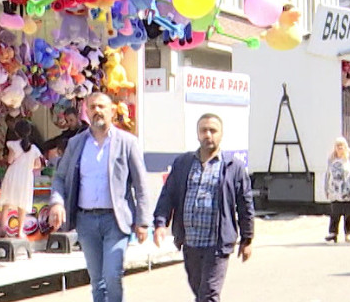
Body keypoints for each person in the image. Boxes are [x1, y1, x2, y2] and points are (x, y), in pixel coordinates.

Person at [49, 92, 151, 302]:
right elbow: (59, 177)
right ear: (86, 111)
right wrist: (57, 203)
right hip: (86, 221)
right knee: (97, 281)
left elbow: (141, 185)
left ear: (112, 110)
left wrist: (143, 221)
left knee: (112, 275)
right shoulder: (76, 143)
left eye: (102, 107)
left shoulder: (127, 142)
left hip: (115, 220)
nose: (97, 111)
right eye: (93, 107)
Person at [153, 114, 254, 302]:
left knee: (208, 295)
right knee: (199, 291)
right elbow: (168, 195)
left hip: (217, 244)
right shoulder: (183, 164)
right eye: (203, 130)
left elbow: (245, 204)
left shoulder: (233, 167)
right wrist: (160, 223)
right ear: (197, 134)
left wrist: (247, 239)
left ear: (221, 134)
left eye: (213, 130)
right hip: (190, 242)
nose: (208, 135)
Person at [0, 119, 43, 237]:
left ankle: (2, 228)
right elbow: (38, 165)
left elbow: (10, 160)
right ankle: (20, 231)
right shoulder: (34, 149)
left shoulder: (13, 145)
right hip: (26, 177)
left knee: (7, 202)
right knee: (22, 203)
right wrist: (28, 165)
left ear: (16, 132)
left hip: (13, 175)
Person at [324, 137, 350, 243]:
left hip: (348, 191)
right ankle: (333, 233)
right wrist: (326, 189)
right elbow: (327, 174)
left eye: (342, 145)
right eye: (338, 145)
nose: (340, 147)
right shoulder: (331, 158)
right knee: (334, 213)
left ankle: (348, 233)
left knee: (348, 213)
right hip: (335, 191)